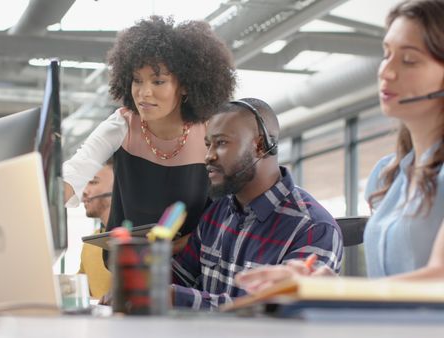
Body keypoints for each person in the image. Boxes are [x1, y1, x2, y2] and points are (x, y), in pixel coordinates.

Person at [236, 0, 444, 292]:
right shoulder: (387, 175)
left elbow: (440, 280)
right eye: (387, 54)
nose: (386, 71)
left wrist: (336, 291)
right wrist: (325, 285)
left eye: (408, 60)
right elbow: (389, 291)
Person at [63, 16, 236, 256]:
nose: (144, 93)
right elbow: (77, 169)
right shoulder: (123, 124)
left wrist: (179, 247)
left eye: (158, 81)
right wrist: (45, 200)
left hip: (194, 266)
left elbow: (231, 208)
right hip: (130, 264)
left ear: (185, 85)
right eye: (137, 80)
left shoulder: (209, 131)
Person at [170, 98, 344, 310]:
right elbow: (178, 277)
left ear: (261, 146)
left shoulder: (313, 229)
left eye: (221, 143)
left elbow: (273, 311)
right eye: (208, 145)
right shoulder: (217, 213)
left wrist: (172, 297)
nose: (208, 156)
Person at [77, 162, 114, 299]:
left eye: (93, 182)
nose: (84, 191)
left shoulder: (139, 240)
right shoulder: (91, 242)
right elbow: (79, 292)